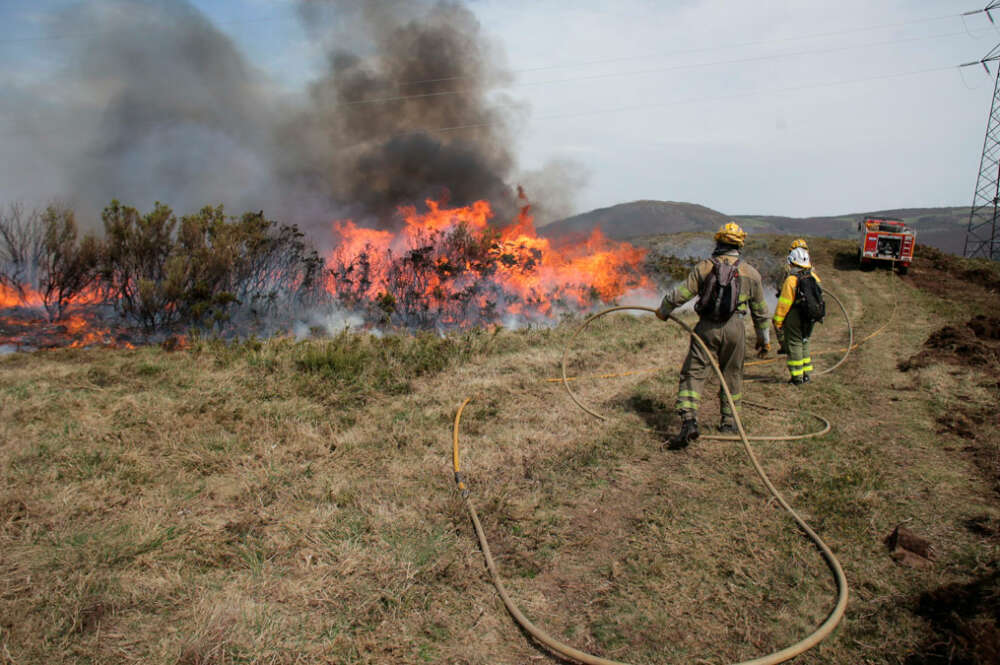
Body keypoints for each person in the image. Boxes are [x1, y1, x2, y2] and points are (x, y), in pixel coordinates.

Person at [655, 222, 771, 447]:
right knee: (733, 374)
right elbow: (760, 312)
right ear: (740, 245)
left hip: (706, 328)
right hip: (736, 328)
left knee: (694, 372)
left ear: (718, 242)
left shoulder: (705, 267)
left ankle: (689, 420)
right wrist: (763, 340)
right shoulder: (751, 273)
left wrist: (663, 311)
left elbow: (680, 294)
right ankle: (729, 421)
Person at [773, 247, 821, 385]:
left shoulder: (791, 280)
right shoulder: (814, 277)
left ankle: (796, 377)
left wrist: (778, 321)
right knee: (805, 342)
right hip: (810, 316)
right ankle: (806, 375)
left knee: (794, 344)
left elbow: (784, 304)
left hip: (795, 316)